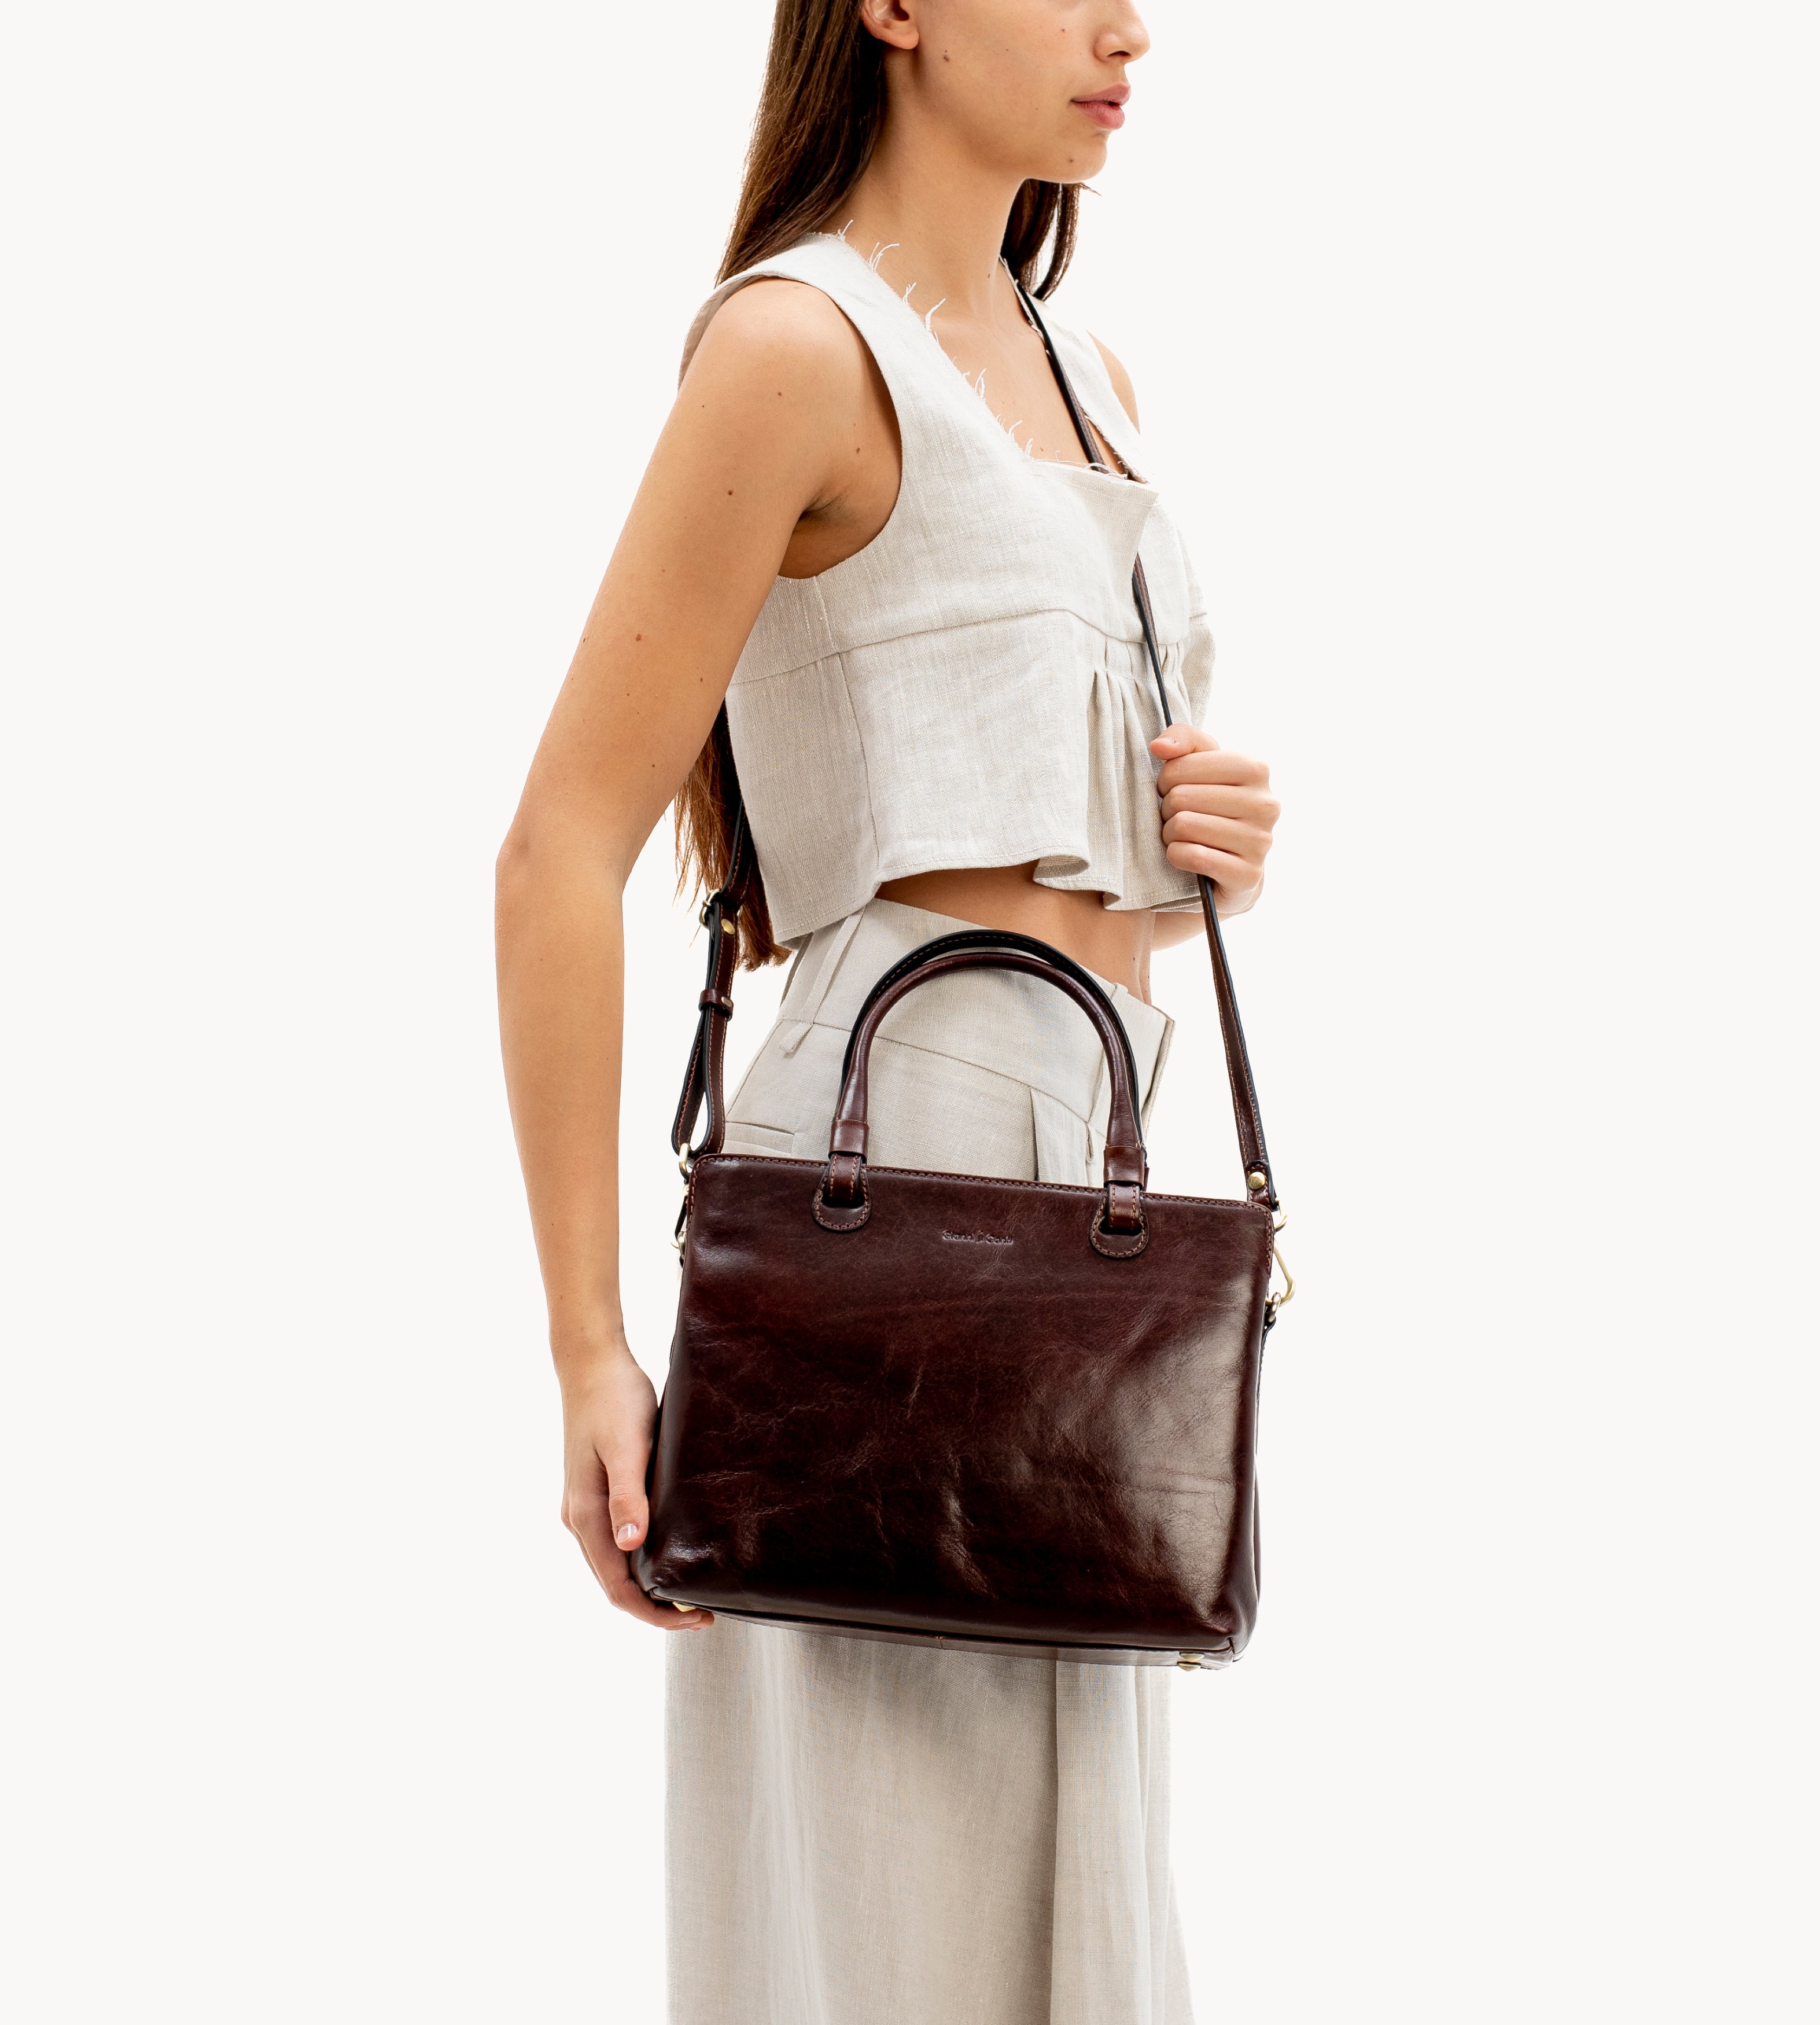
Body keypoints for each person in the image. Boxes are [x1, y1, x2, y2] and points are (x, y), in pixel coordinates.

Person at [496, 3, 1280, 2018]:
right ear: (895, 6)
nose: (1129, 29)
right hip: (883, 1182)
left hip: (1082, 1188)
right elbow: (559, 849)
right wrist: (588, 1347)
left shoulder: (1084, 378)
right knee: (866, 1918)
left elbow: (1006, 808)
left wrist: (1196, 847)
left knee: (1054, 1913)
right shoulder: (792, 348)